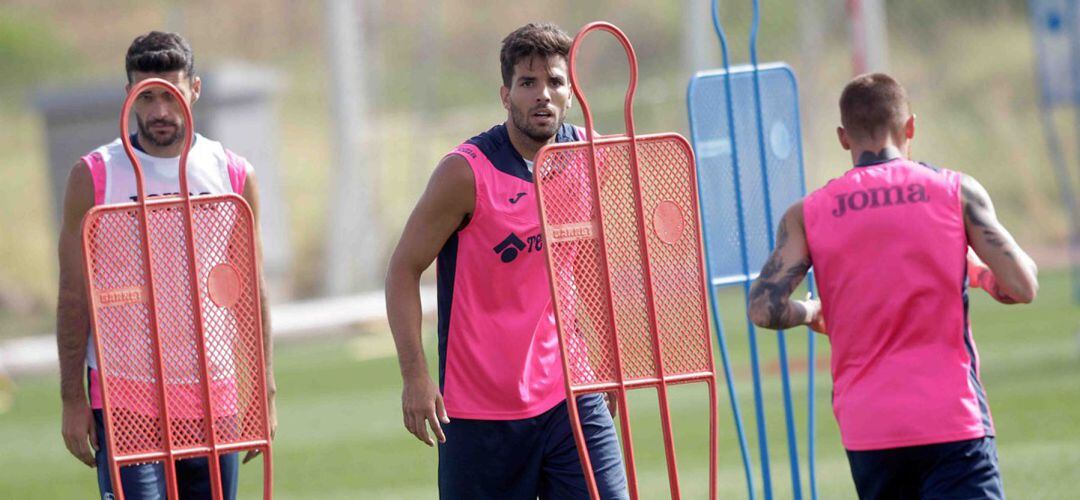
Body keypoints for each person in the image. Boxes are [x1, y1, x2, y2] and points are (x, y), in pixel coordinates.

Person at [747, 73, 1038, 499]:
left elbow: (763, 309)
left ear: (844, 137)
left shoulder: (808, 214)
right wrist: (974, 271)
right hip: (951, 418)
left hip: (870, 429)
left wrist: (812, 311)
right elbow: (1022, 285)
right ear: (910, 127)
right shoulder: (954, 192)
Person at [385, 22, 629, 499]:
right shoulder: (466, 172)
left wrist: (606, 359)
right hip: (479, 412)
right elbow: (402, 270)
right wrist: (415, 377)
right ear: (505, 94)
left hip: (569, 393)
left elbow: (588, 264)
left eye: (555, 82)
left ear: (571, 92)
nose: (543, 95)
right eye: (528, 82)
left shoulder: (587, 154)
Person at [56, 31, 276, 500]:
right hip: (125, 398)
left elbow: (251, 293)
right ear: (129, 94)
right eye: (147, 95)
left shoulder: (232, 173)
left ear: (194, 89)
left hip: (213, 394)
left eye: (170, 94)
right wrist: (72, 398)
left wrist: (262, 392)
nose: (159, 110)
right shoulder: (94, 176)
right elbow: (74, 295)